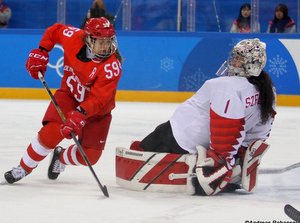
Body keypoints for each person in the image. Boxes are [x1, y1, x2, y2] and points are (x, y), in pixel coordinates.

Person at [127, 38, 276, 196]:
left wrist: (221, 160)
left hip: (179, 136)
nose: (233, 62)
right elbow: (260, 130)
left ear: (251, 64)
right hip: (200, 144)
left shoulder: (227, 85)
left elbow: (227, 125)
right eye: (234, 57)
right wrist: (242, 154)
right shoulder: (268, 91)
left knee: (138, 155)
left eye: (239, 59)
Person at [4, 17, 122, 184]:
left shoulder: (111, 67)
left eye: (109, 41)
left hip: (97, 113)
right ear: (88, 39)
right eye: (101, 41)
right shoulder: (73, 37)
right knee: (50, 134)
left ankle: (61, 158)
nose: (106, 46)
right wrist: (42, 51)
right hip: (69, 97)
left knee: (90, 156)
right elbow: (54, 30)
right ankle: (23, 168)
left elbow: (98, 99)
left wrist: (79, 115)